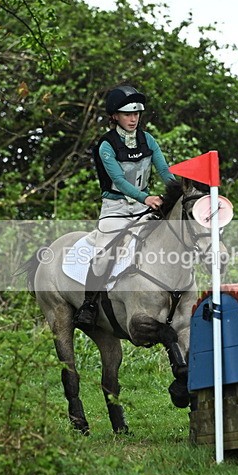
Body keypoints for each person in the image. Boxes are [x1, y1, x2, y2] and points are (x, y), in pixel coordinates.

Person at [74, 84, 176, 331]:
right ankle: (89, 304)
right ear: (115, 116)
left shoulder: (147, 139)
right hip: (115, 209)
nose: (133, 119)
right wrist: (146, 198)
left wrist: (177, 190)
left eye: (136, 113)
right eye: (127, 114)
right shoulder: (106, 145)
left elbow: (163, 170)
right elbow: (119, 181)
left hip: (143, 208)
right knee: (104, 254)